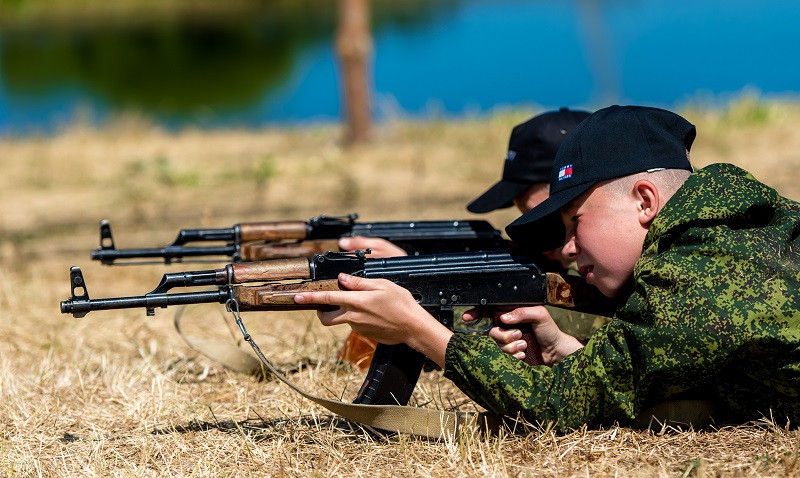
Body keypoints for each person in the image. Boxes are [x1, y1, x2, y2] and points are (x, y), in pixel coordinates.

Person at [295, 105, 800, 431]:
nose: (570, 247)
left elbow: (555, 406)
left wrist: (417, 328)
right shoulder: (737, 230)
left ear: (645, 200)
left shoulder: (703, 274)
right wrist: (568, 349)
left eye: (576, 221)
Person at [337, 108, 596, 368]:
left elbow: (588, 327)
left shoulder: (622, 283)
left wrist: (417, 291)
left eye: (541, 218)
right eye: (523, 216)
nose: (530, 236)